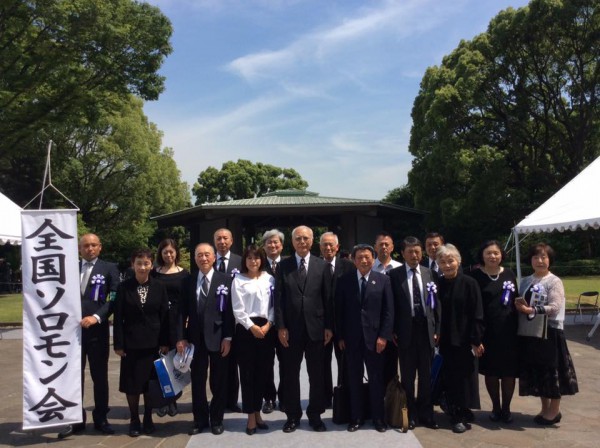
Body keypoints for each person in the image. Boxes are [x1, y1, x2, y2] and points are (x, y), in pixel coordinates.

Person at [58, 233, 120, 439]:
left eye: (94, 245)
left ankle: (101, 417)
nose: (90, 249)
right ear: (79, 249)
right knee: (74, 377)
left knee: (99, 376)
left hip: (97, 332)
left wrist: (97, 317)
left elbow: (113, 297)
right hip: (71, 333)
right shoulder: (69, 268)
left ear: (100, 247)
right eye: (85, 246)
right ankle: (75, 419)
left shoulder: (109, 268)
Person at [274, 225, 332, 433]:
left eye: (306, 238)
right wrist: (280, 326)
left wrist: (329, 327)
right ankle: (292, 415)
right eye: (298, 238)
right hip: (291, 330)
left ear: (312, 241)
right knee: (290, 374)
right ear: (292, 242)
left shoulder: (322, 266)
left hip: (316, 329)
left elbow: (328, 299)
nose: (302, 242)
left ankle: (315, 415)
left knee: (317, 374)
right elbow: (278, 299)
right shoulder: (283, 266)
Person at [515, 243, 578, 425]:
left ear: (550, 260)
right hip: (531, 332)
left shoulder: (554, 281)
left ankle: (554, 410)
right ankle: (544, 408)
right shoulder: (526, 280)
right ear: (531, 260)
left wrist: (531, 310)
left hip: (550, 332)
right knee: (539, 371)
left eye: (544, 257)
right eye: (536, 257)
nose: (540, 261)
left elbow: (555, 306)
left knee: (553, 371)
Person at [336, 244, 393, 433]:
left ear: (373, 258)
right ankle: (356, 417)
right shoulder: (344, 280)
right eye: (359, 257)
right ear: (353, 259)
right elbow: (340, 311)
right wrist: (341, 336)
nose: (364, 260)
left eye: (367, 257)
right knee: (354, 379)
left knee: (376, 379)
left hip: (375, 340)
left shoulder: (383, 280)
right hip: (352, 340)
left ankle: (378, 418)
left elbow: (388, 311)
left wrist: (384, 336)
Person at [113, 248, 170, 437]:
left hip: (153, 344)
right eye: (139, 263)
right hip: (131, 344)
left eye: (146, 263)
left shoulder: (159, 286)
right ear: (132, 265)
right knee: (132, 384)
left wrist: (164, 342)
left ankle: (148, 417)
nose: (143, 267)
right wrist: (118, 344)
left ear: (151, 265)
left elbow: (164, 316)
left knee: (149, 384)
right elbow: (118, 317)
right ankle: (134, 418)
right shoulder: (124, 287)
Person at [178, 243, 234, 436]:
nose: (203, 258)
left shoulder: (226, 280)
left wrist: (228, 337)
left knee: (218, 381)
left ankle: (217, 419)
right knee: (198, 381)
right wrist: (181, 338)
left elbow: (229, 313)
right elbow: (180, 312)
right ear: (195, 258)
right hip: (194, 340)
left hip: (218, 338)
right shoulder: (188, 281)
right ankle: (199, 419)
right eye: (199, 255)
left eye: (207, 255)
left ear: (213, 257)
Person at [388, 236, 440, 430]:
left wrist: (438, 329)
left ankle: (427, 413)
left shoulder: (429, 274)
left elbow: (437, 306)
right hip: (405, 333)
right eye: (410, 251)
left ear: (422, 253)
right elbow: (391, 305)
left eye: (417, 251)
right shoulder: (395, 275)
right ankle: (409, 413)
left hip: (426, 332)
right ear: (402, 254)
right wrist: (392, 330)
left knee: (426, 377)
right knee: (408, 378)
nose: (414, 255)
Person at [436, 244, 485, 434]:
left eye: (450, 261)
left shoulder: (469, 283)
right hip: (445, 340)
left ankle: (462, 411)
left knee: (466, 378)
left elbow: (477, 313)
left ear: (459, 261)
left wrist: (476, 338)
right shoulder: (437, 283)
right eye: (443, 262)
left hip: (465, 340)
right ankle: (455, 413)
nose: (447, 265)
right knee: (451, 378)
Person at [469, 240, 519, 423]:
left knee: (508, 373)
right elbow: (472, 306)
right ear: (482, 255)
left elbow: (516, 299)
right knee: (491, 372)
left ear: (501, 255)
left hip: (509, 332)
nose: (492, 256)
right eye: (489, 253)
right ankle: (495, 407)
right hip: (486, 332)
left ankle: (506, 409)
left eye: (496, 253)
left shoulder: (509, 273)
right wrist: (475, 336)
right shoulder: (474, 276)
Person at [231, 245, 275, 435]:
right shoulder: (238, 280)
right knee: (248, 374)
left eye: (256, 258)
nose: (253, 261)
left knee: (262, 374)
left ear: (262, 259)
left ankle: (257, 413)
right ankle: (250, 416)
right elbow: (237, 309)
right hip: (246, 330)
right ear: (244, 261)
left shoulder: (269, 278)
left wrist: (268, 325)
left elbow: (274, 304)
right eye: (249, 258)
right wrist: (252, 327)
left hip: (266, 329)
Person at [151, 238, 190, 418]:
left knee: (174, 363)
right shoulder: (154, 273)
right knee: (159, 362)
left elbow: (187, 302)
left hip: (177, 321)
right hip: (158, 321)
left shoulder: (184, 274)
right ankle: (161, 401)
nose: (168, 255)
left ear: (176, 253)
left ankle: (173, 399)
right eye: (165, 252)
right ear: (160, 253)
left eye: (171, 252)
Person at [320, 231, 354, 408]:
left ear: (337, 247)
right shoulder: (316, 266)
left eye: (331, 244)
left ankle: (344, 395)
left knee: (345, 362)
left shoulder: (349, 266)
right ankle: (326, 397)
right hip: (322, 326)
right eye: (324, 245)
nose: (328, 248)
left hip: (343, 324)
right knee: (323, 364)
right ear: (320, 248)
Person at [213, 228, 243, 413]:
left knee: (233, 364)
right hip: (214, 320)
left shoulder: (240, 261)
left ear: (231, 241)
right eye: (218, 238)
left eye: (225, 238)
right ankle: (218, 400)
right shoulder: (207, 260)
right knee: (216, 365)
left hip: (235, 319)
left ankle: (232, 400)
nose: (222, 241)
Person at [372, 231, 402, 389]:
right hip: (373, 326)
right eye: (380, 244)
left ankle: (393, 403)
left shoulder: (400, 268)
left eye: (387, 244)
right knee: (375, 367)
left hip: (394, 327)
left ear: (392, 247)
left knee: (392, 365)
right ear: (375, 247)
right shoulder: (369, 267)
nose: (384, 247)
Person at [261, 228, 285, 414]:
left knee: (286, 363)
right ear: (264, 246)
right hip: (265, 325)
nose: (273, 245)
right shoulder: (258, 267)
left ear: (282, 245)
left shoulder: (289, 265)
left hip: (285, 324)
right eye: (269, 242)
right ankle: (269, 397)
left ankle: (285, 397)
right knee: (266, 364)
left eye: (276, 242)